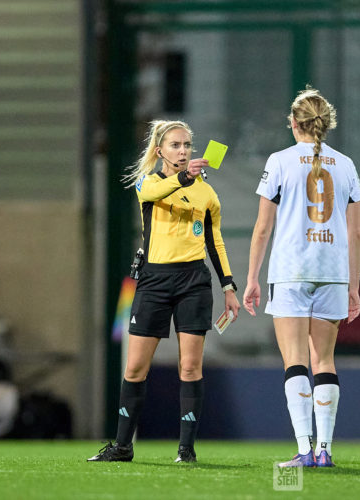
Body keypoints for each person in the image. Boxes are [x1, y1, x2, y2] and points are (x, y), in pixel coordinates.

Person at [88, 120, 240, 464]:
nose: (183, 150)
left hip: (193, 282)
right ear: (160, 151)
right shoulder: (150, 182)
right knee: (135, 368)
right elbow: (153, 194)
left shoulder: (206, 192)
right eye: (175, 145)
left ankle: (186, 450)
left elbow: (213, 241)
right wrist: (186, 179)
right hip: (154, 280)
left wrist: (228, 285)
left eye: (187, 144)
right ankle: (122, 447)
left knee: (190, 367)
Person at [243, 87, 360, 468]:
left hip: (292, 271)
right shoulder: (345, 164)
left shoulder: (280, 161)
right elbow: (356, 234)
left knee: (295, 360)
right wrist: (354, 287)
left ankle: (304, 450)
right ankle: (325, 450)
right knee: (324, 359)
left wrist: (252, 279)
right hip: (332, 274)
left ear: (294, 124)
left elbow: (263, 228)